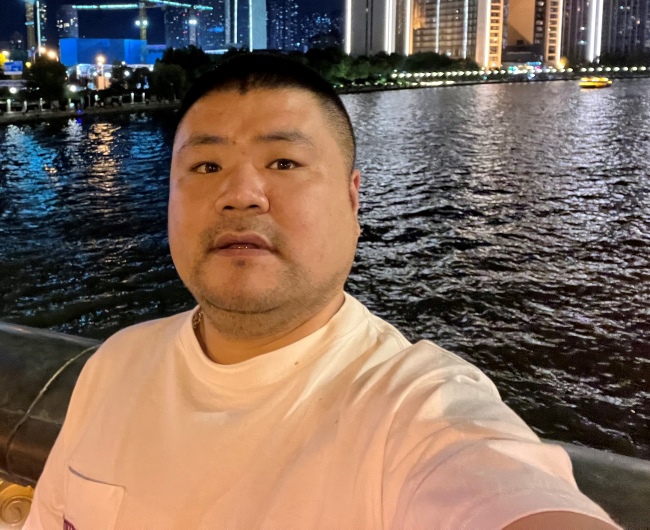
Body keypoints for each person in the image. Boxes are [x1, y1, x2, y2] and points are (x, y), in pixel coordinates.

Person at [25, 54, 620, 529]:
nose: (241, 194)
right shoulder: (115, 364)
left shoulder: (414, 410)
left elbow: (503, 490)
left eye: (284, 163)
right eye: (206, 167)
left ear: (353, 200)